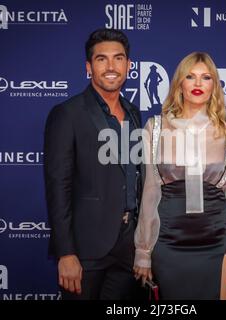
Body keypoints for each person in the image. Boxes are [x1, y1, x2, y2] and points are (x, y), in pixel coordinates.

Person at [133, 52, 226, 300]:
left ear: (214, 85)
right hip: (168, 241)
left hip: (218, 239)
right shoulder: (155, 128)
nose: (197, 84)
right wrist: (143, 251)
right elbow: (150, 193)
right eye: (190, 77)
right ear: (179, 84)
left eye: (206, 77)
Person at [44, 28, 142, 300]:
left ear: (128, 65)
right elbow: (58, 186)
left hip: (129, 246)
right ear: (89, 67)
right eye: (102, 59)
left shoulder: (134, 113)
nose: (111, 66)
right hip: (85, 248)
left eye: (118, 58)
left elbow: (134, 176)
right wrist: (66, 252)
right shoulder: (67, 114)